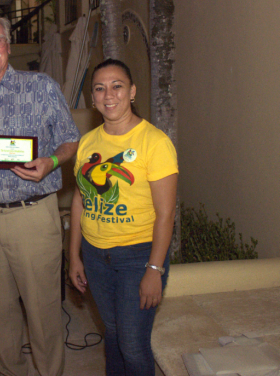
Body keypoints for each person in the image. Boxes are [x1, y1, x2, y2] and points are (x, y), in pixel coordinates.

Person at [0, 13, 81, 376]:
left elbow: (70, 139)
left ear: (8, 46)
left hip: (32, 215)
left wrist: (51, 162)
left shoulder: (41, 86)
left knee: (43, 311)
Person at [69, 58, 178, 376]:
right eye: (99, 88)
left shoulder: (155, 143)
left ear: (132, 92)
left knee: (132, 344)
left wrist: (154, 269)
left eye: (117, 86)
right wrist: (73, 256)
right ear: (92, 98)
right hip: (95, 256)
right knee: (114, 334)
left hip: (138, 256)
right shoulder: (88, 142)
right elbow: (79, 199)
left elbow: (166, 214)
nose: (108, 95)